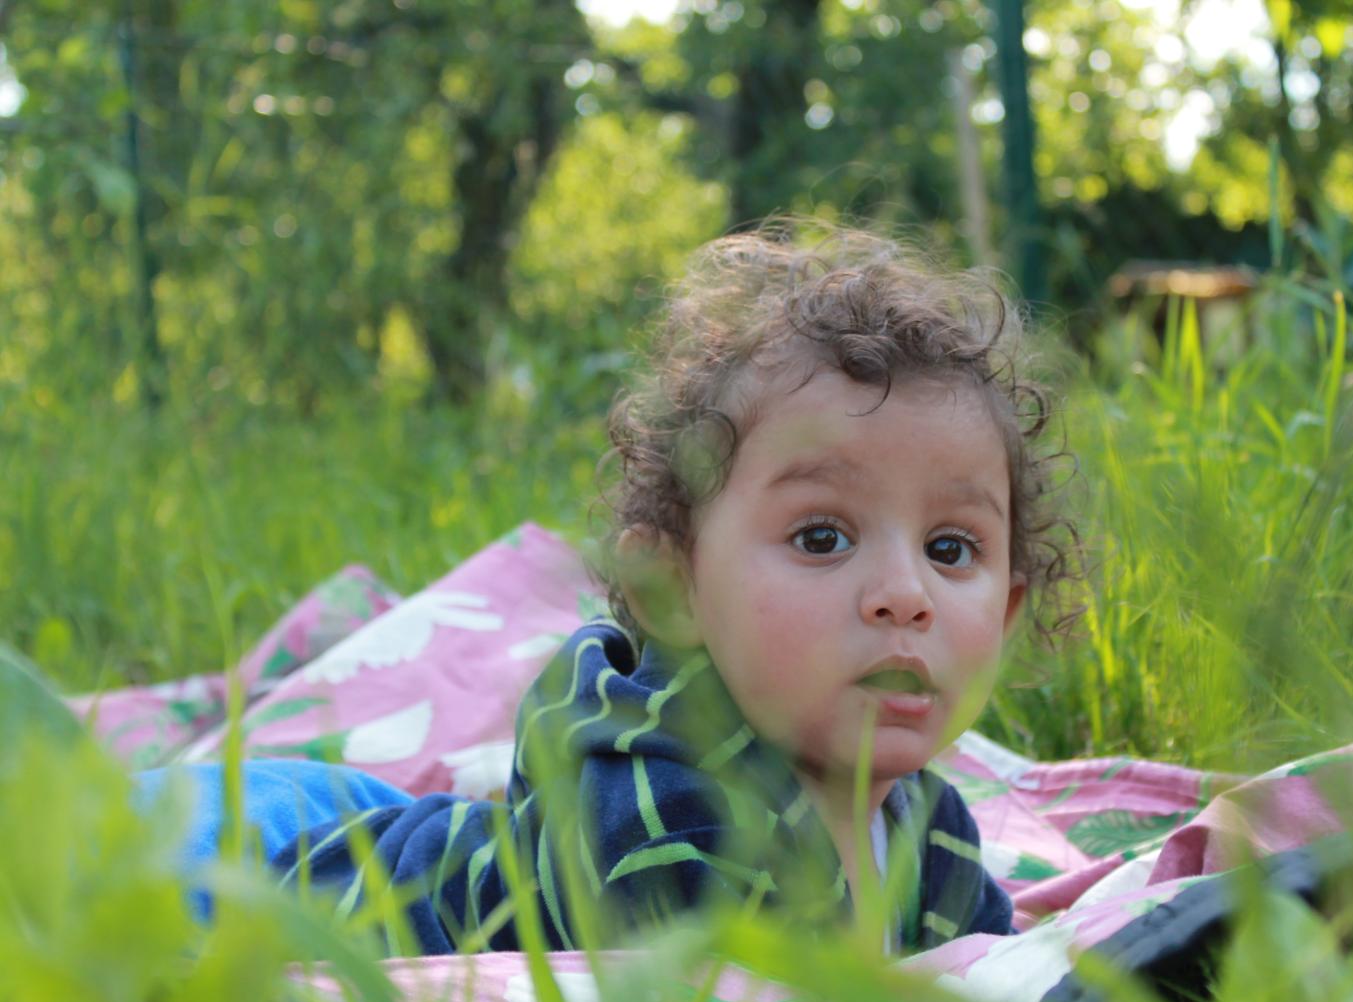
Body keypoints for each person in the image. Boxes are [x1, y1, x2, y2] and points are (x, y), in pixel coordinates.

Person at [271, 222, 1078, 955]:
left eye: (949, 548)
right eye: (821, 537)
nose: (905, 593)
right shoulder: (667, 825)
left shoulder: (933, 835)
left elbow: (1005, 986)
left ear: (1007, 613)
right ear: (674, 588)